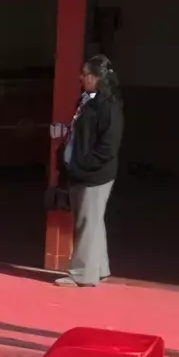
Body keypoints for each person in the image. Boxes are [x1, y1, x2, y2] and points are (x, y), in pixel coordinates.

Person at [51, 54, 124, 288]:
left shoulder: (108, 107)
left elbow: (108, 147)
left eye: (85, 74)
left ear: (95, 77)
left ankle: (82, 273)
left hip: (94, 175)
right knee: (93, 221)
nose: (81, 78)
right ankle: (99, 267)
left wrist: (83, 165)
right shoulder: (85, 101)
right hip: (81, 171)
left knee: (86, 223)